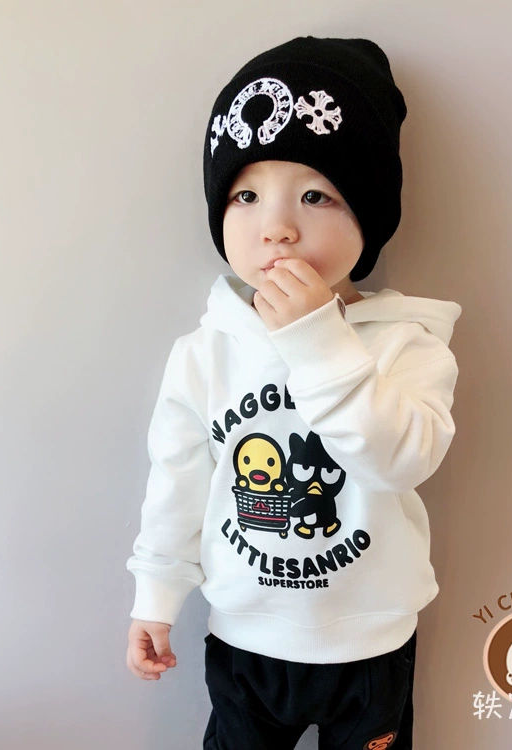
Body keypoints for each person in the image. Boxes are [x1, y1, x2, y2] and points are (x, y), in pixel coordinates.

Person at [125, 35, 462, 750]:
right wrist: (156, 596)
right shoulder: (205, 353)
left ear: (367, 216)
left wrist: (317, 341)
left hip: (370, 643)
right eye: (245, 195)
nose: (276, 227)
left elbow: (403, 460)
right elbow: (176, 482)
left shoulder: (408, 344)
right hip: (246, 641)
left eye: (315, 195)